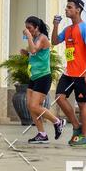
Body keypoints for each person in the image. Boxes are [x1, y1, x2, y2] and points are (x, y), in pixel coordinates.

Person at [52, 0, 86, 147]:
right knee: (59, 97)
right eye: (66, 7)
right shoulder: (68, 30)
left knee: (82, 103)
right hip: (69, 73)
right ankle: (76, 126)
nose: (66, 10)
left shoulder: (85, 28)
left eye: (69, 7)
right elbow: (55, 41)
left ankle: (85, 136)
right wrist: (55, 25)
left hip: (82, 73)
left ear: (78, 10)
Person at [21, 16, 65, 144]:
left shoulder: (42, 38)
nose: (27, 30)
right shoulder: (34, 38)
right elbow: (34, 53)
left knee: (35, 105)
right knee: (30, 106)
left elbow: (34, 49)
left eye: (29, 28)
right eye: (26, 28)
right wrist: (26, 53)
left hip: (43, 77)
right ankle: (42, 134)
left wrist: (28, 36)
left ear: (36, 27)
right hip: (34, 77)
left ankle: (58, 121)